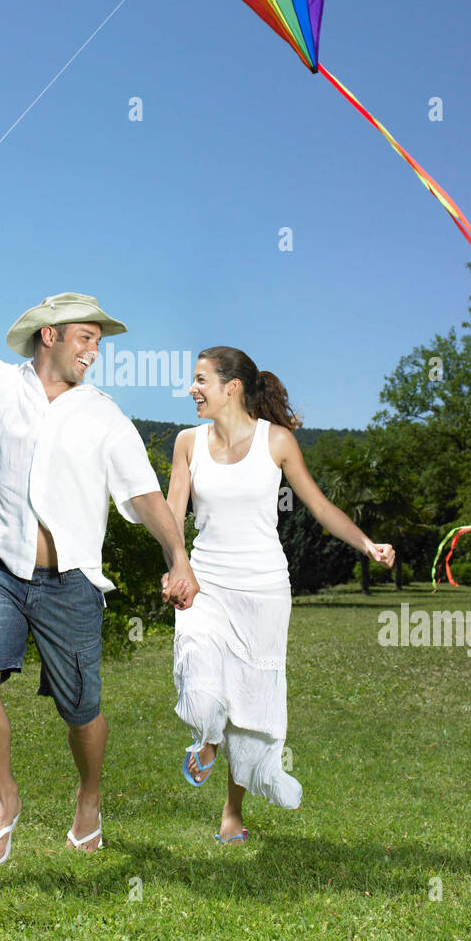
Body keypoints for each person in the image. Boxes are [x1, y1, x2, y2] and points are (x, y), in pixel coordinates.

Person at [0, 203, 199, 865]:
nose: (94, 351)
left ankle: (89, 797)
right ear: (48, 336)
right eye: (84, 338)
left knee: (80, 711)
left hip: (70, 584)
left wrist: (176, 554)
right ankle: (5, 798)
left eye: (99, 341)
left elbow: (146, 497)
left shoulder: (104, 416)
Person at [162, 347, 395, 844]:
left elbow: (319, 505)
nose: (191, 389)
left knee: (250, 701)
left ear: (233, 387)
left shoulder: (278, 442)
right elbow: (170, 516)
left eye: (200, 379)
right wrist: (176, 568)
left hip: (264, 588)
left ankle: (231, 811)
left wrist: (366, 544)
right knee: (203, 684)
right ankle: (205, 738)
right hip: (205, 583)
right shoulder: (187, 443)